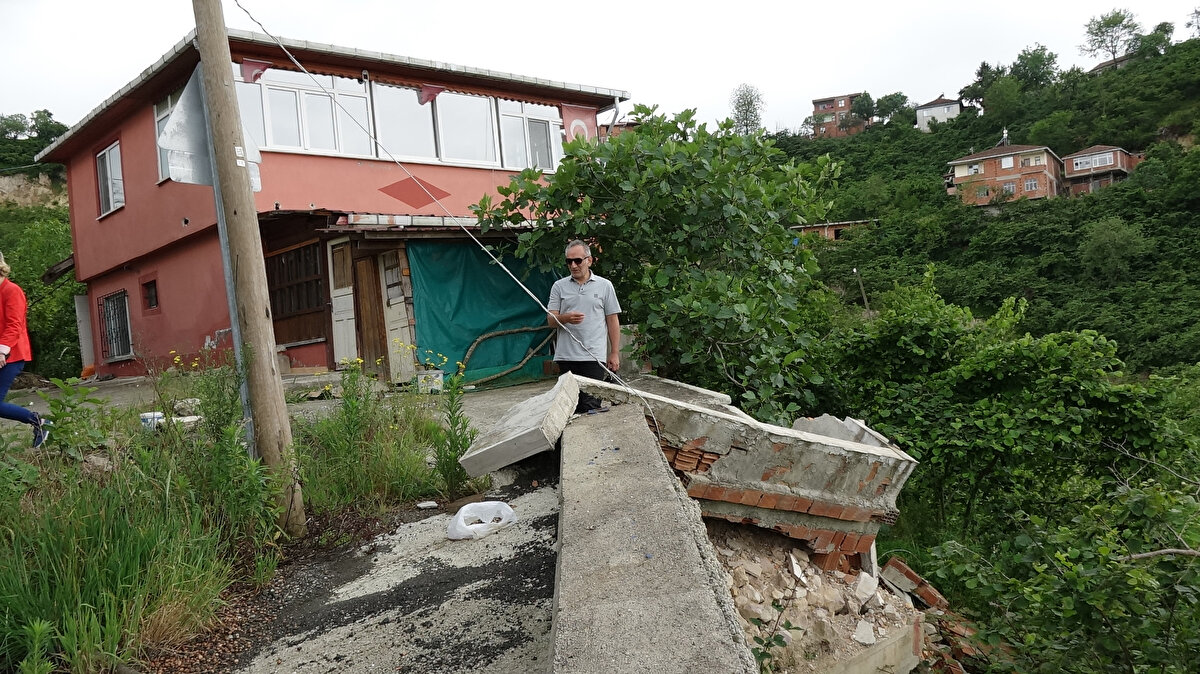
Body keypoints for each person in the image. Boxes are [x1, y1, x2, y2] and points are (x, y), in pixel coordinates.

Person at [547, 240, 621, 413]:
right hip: (566, 357)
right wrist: (564, 318)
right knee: (567, 407)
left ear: (589, 260)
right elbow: (550, 320)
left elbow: (612, 319)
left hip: (593, 356)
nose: (573, 265)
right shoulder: (559, 286)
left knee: (591, 406)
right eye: (569, 261)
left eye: (578, 260)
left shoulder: (605, 286)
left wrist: (615, 352)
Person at [0, 252, 50, 447]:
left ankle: (39, 422)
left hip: (11, 354)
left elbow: (14, 325)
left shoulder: (12, 291)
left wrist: (2, 351)